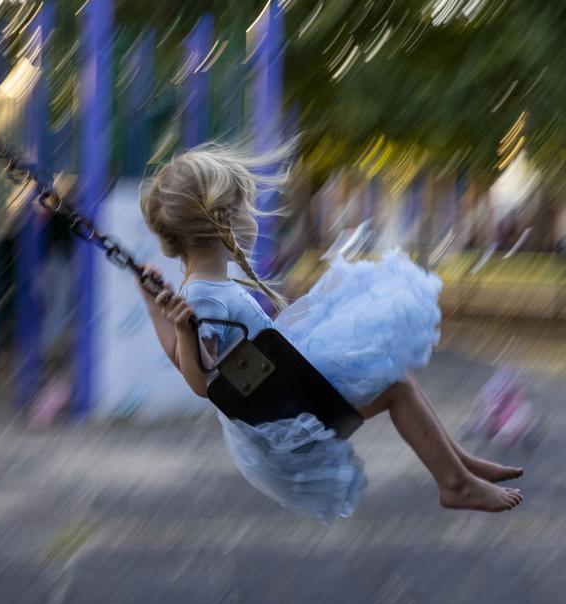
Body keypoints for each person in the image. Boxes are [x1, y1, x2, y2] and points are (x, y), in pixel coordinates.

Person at [135, 143, 524, 524]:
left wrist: (156, 312)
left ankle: (457, 462)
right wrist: (182, 331)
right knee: (396, 388)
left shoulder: (206, 289)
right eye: (246, 211)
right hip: (285, 412)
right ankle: (454, 482)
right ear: (223, 221)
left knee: (395, 375)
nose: (254, 220)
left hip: (286, 390)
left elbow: (182, 356)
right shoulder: (204, 296)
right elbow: (204, 384)